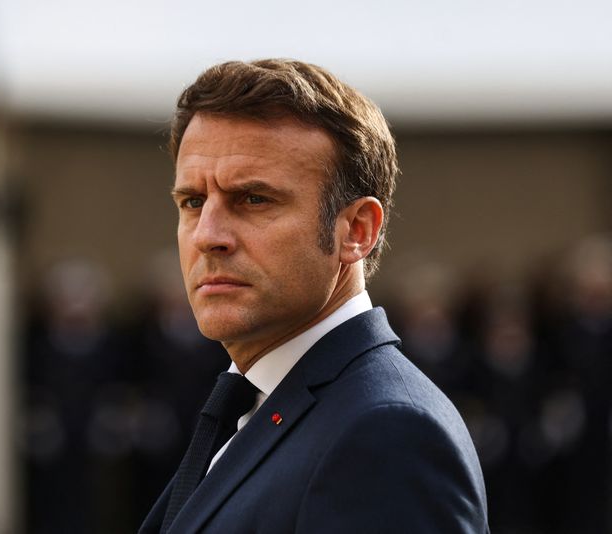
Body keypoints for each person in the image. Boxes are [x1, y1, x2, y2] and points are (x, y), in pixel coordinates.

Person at [139, 59, 489, 533]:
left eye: (254, 199)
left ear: (357, 231)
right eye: (193, 202)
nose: (208, 236)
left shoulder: (386, 434)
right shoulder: (260, 400)